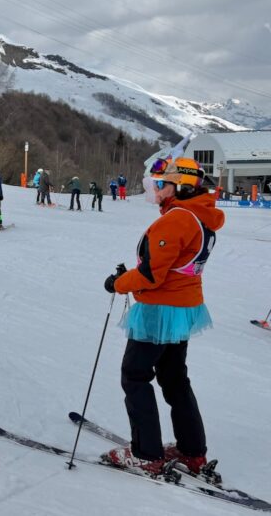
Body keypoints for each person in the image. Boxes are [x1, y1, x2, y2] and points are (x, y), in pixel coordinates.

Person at [102, 157, 224, 475]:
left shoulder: (178, 219)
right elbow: (167, 266)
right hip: (182, 307)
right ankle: (191, 450)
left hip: (160, 309)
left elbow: (151, 276)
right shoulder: (200, 215)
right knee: (173, 378)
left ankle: (146, 453)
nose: (156, 191)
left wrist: (119, 283)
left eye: (160, 184)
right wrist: (134, 276)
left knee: (135, 374)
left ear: (179, 187)